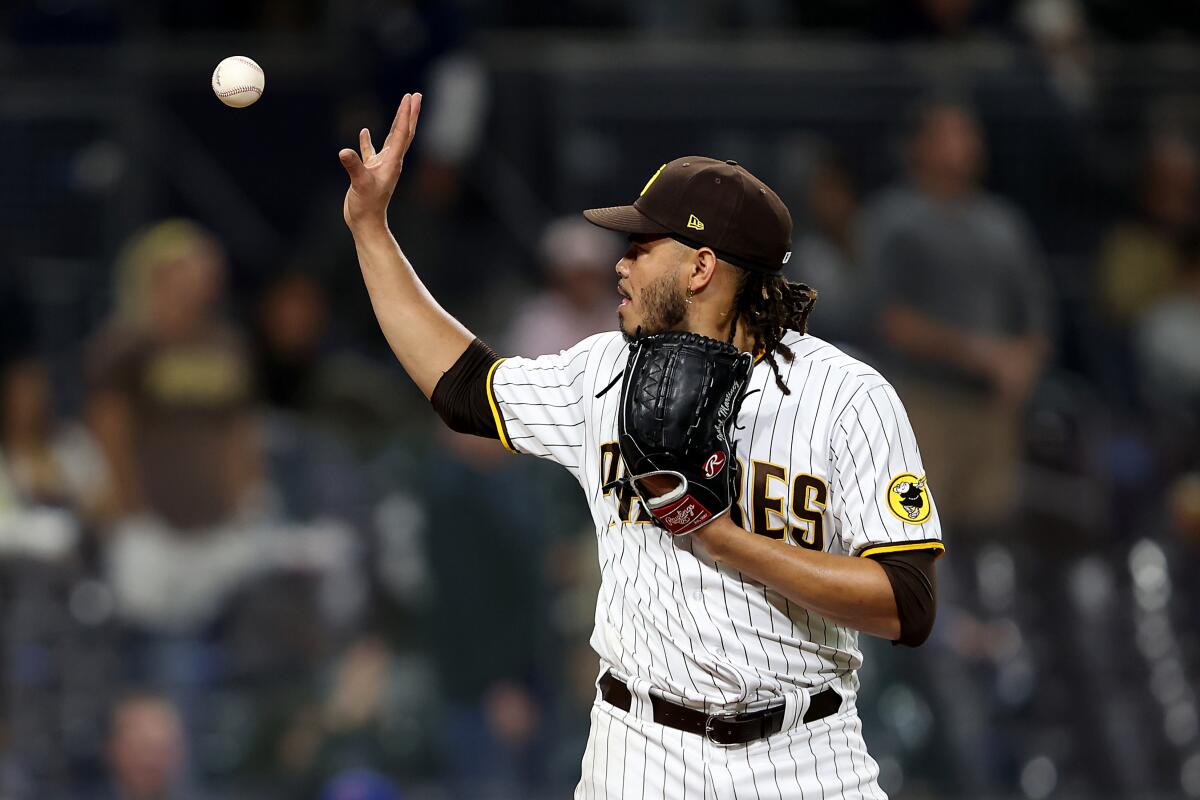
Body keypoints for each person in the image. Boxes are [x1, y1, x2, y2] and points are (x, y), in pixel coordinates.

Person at [339, 94, 943, 797]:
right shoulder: (603, 371)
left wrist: (723, 539)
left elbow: (907, 602)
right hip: (641, 752)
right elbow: (465, 390)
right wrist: (371, 231)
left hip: (806, 754)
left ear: (701, 268)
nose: (617, 265)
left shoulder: (849, 398)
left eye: (640, 246)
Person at [861, 99, 1051, 533]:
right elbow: (887, 317)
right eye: (950, 134)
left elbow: (1037, 316)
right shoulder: (893, 219)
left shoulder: (1004, 223)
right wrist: (978, 353)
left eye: (970, 135)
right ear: (919, 146)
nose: (965, 146)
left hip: (993, 407)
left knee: (994, 530)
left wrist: (1024, 364)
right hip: (920, 401)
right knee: (919, 532)